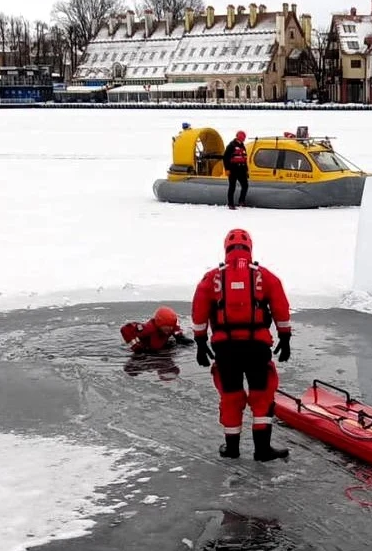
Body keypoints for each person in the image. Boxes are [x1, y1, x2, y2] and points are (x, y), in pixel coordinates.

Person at [192, 228, 292, 461]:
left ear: (225, 248)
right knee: (261, 395)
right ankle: (262, 450)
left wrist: (199, 341)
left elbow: (199, 311)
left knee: (231, 396)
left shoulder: (211, 278)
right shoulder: (264, 276)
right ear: (250, 248)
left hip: (225, 350)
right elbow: (280, 306)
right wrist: (285, 337)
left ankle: (232, 449)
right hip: (256, 347)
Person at [120, 305, 195, 355]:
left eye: (171, 327)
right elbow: (125, 329)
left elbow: (176, 330)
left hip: (159, 348)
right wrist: (135, 346)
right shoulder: (149, 328)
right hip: (147, 351)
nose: (169, 330)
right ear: (159, 323)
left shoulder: (172, 326)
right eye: (166, 327)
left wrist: (180, 337)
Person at [223, 130, 250, 209]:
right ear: (239, 137)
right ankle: (230, 204)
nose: (244, 139)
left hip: (241, 170)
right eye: (243, 137)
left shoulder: (242, 146)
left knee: (245, 185)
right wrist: (227, 169)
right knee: (232, 187)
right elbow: (225, 158)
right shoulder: (231, 145)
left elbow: (244, 159)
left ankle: (241, 201)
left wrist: (246, 170)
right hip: (233, 169)